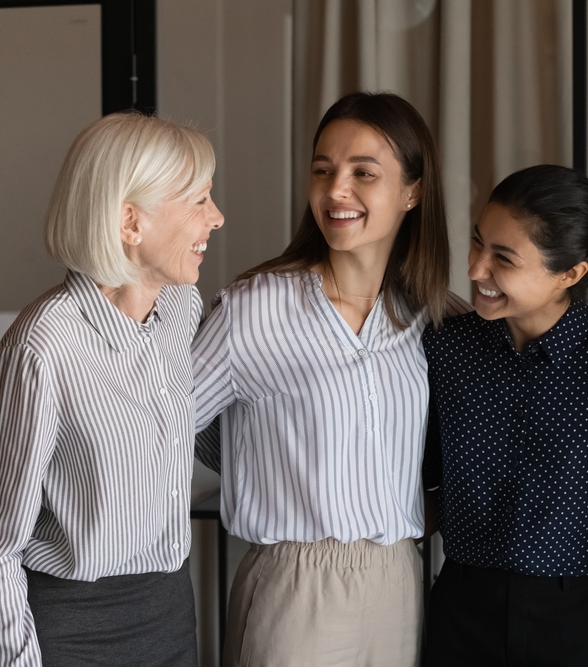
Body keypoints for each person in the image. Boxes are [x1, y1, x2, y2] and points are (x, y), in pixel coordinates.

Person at [190, 91, 461, 667]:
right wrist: (28, 474)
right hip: (294, 591)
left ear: (413, 191)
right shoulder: (252, 310)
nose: (337, 190)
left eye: (364, 172)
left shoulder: (435, 317)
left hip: (400, 585)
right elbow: (158, 423)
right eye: (323, 170)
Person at [0, 112, 224, 666]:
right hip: (73, 629)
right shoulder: (41, 348)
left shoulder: (181, 310)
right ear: (131, 221)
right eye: (199, 200)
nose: (216, 218)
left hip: (170, 611)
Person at [422, 164, 588, 666]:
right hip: (462, 607)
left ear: (570, 274)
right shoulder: (446, 350)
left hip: (581, 617)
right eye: (478, 243)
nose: (476, 269)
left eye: (503, 258)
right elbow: (425, 473)